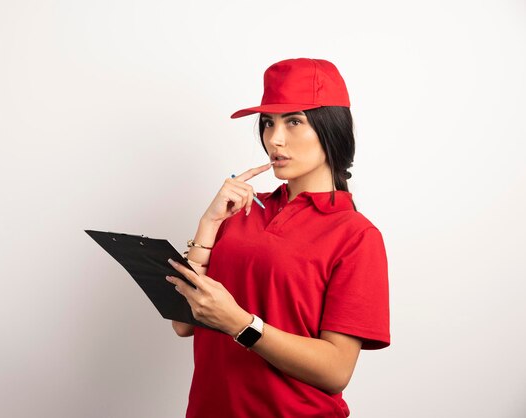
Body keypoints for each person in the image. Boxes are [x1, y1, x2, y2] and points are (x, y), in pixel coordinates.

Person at [165, 58, 390, 418]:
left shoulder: (356, 236)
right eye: (268, 123)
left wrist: (241, 324)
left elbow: (336, 371)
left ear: (330, 128)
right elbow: (183, 324)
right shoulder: (240, 211)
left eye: (294, 122)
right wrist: (207, 225)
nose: (274, 139)